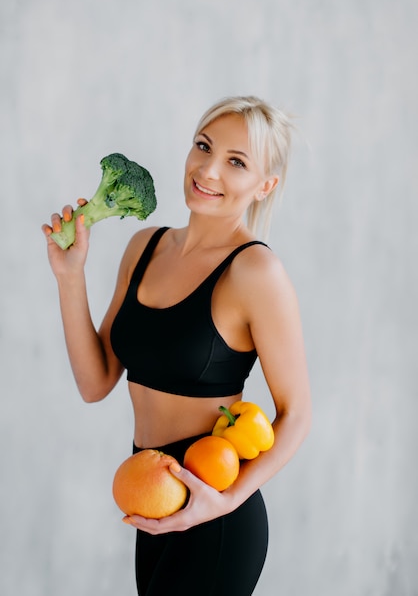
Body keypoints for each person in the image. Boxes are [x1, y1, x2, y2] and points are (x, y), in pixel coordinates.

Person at [42, 95, 311, 595]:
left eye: (236, 162)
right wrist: (70, 277)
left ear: (265, 184)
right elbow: (95, 382)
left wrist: (224, 502)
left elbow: (296, 415)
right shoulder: (143, 246)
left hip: (216, 510)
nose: (208, 170)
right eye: (203, 147)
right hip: (152, 499)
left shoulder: (256, 272)